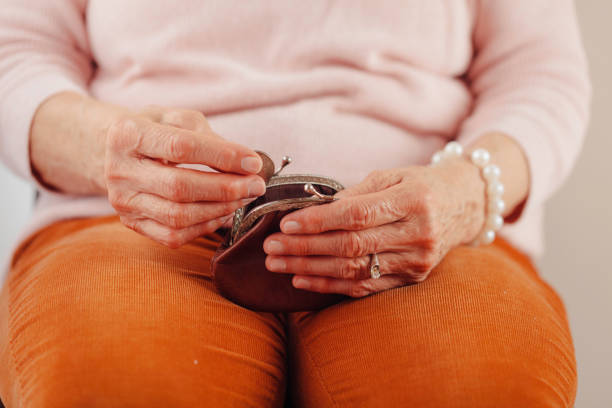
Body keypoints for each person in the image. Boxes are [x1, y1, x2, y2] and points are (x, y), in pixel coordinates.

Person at [0, 0, 590, 407]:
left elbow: (537, 72)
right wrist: (110, 148)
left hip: (422, 232)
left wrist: (465, 191)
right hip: (138, 222)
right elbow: (16, 51)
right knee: (119, 387)